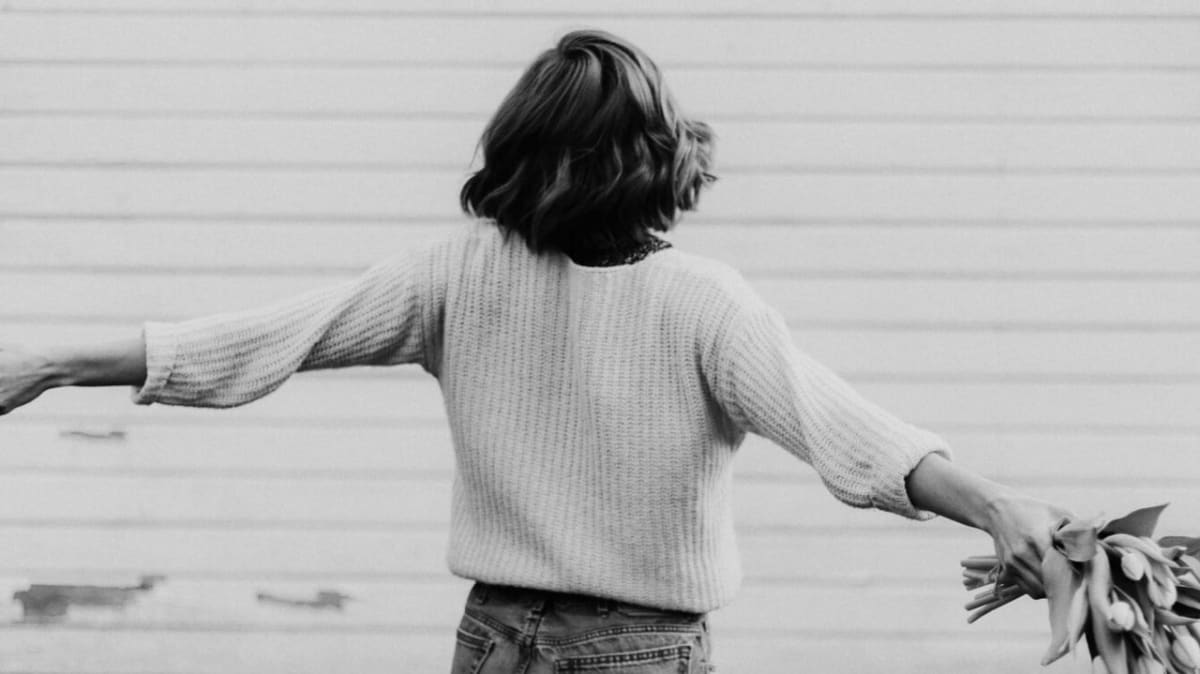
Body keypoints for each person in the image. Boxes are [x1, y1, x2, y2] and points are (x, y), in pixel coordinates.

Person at [0, 29, 1068, 674]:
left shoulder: (648, 299)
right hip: (562, 642)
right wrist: (48, 361)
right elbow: (270, 338)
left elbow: (846, 431)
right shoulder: (505, 278)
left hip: (553, 645)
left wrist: (996, 503)